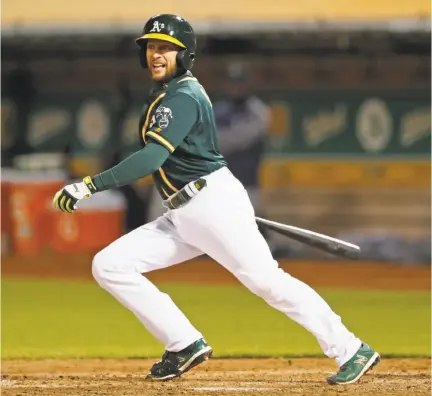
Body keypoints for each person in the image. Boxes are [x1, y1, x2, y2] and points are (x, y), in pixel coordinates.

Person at [52, 14, 380, 384]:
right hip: (182, 212)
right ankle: (183, 343)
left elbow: (151, 158)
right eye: (152, 47)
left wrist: (88, 185)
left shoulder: (183, 96)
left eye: (166, 48)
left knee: (267, 282)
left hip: (211, 203)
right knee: (110, 265)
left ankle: (351, 348)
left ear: (185, 54)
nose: (156, 54)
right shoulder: (167, 95)